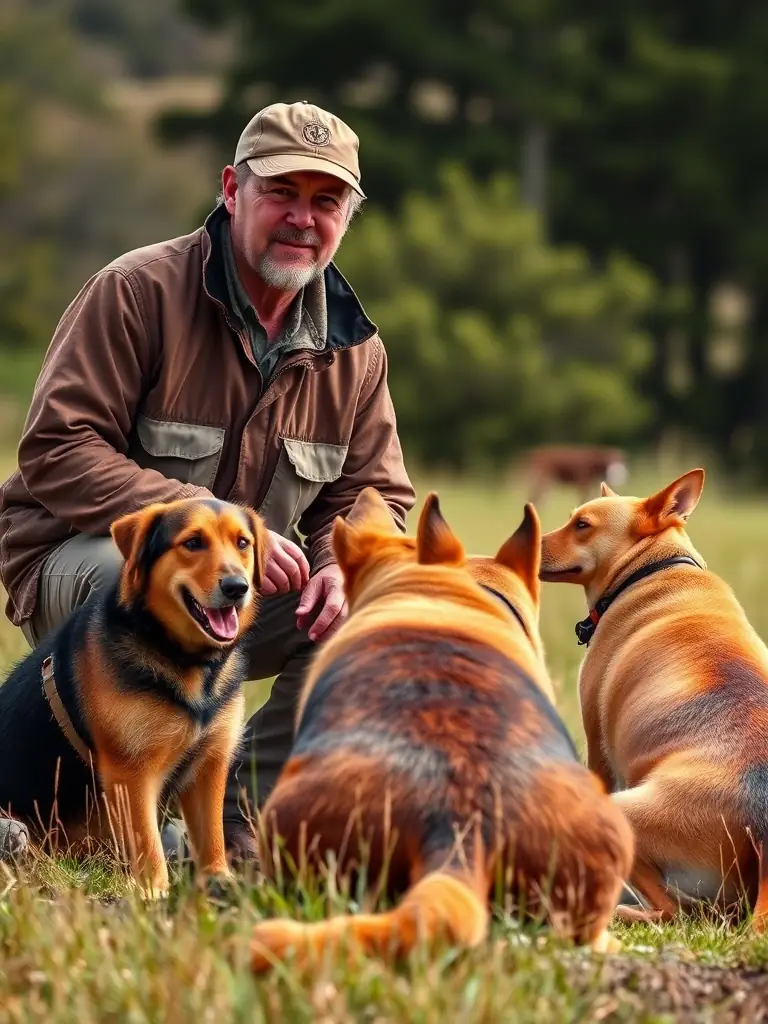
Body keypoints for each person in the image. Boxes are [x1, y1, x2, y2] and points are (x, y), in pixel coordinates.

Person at [0, 100, 415, 861]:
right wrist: (197, 505)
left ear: (347, 218)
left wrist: (336, 566)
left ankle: (235, 823)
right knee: (125, 581)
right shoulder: (136, 291)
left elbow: (375, 495)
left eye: (325, 201)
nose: (302, 218)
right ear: (232, 190)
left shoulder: (358, 352)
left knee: (377, 608)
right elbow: (56, 448)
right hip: (79, 565)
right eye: (280, 193)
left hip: (229, 589)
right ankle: (106, 813)